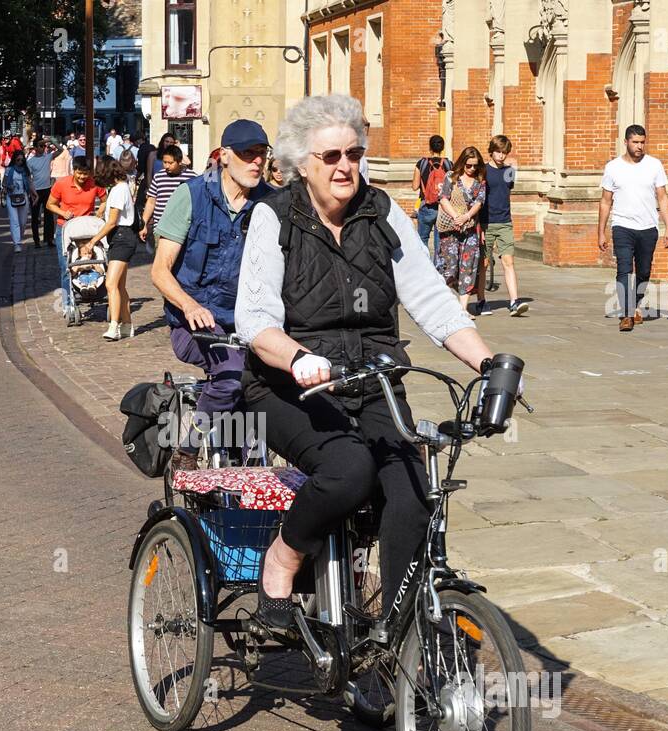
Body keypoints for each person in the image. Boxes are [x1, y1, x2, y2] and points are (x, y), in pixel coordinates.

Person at [233, 94, 496, 626]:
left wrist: (490, 366)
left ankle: (394, 644)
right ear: (302, 164)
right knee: (350, 470)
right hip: (288, 387)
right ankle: (283, 559)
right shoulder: (274, 215)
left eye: (353, 153)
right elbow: (256, 320)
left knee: (414, 494)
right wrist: (298, 356)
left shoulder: (382, 213)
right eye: (330, 156)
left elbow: (431, 300)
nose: (345, 166)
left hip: (371, 380)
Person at [151, 120, 274, 470]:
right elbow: (159, 271)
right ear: (223, 156)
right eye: (247, 154)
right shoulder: (190, 196)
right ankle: (187, 449)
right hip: (194, 324)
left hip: (248, 321)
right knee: (232, 374)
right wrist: (189, 305)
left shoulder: (272, 204)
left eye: (261, 154)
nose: (256, 162)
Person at [598, 124, 668, 332]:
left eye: (642, 142)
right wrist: (601, 232)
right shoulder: (613, 167)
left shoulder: (654, 165)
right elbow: (605, 201)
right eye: (635, 142)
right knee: (624, 269)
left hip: (648, 226)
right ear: (626, 142)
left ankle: (635, 304)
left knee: (644, 272)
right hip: (622, 225)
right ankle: (626, 314)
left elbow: (663, 197)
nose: (639, 146)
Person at [80, 158, 138, 340]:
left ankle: (114, 326)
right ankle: (127, 325)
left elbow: (112, 221)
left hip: (122, 237)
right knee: (119, 285)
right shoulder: (119, 188)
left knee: (110, 283)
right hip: (120, 238)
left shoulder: (119, 190)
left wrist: (92, 241)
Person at [46, 156, 106, 321]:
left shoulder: (94, 183)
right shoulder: (62, 184)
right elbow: (49, 204)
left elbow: (105, 200)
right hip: (66, 229)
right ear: (74, 171)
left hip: (87, 229)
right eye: (79, 174)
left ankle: (92, 288)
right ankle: (67, 303)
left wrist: (100, 211)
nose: (82, 177)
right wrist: (63, 213)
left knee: (93, 261)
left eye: (85, 174)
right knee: (65, 266)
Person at [433, 146, 487, 312]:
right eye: (468, 165)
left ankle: (463, 309)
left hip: (470, 230)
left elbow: (479, 202)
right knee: (450, 269)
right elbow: (443, 198)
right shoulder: (452, 177)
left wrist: (467, 217)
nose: (472, 169)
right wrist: (456, 216)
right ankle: (443, 301)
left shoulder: (480, 182)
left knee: (468, 267)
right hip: (450, 229)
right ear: (462, 163)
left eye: (475, 165)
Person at [481, 134, 528, 317]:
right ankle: (481, 301)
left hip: (505, 222)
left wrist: (514, 167)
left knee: (509, 261)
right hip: (486, 222)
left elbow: (508, 187)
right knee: (483, 264)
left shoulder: (509, 170)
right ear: (491, 152)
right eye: (498, 152)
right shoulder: (483, 171)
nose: (501, 156)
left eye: (504, 152)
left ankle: (514, 302)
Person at [139, 144, 194, 251]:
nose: (167, 166)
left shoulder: (191, 177)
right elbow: (151, 202)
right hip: (160, 230)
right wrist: (144, 224)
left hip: (183, 230)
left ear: (179, 161)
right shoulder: (159, 177)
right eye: (165, 162)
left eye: (171, 163)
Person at [412, 134, 452, 256]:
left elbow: (414, 187)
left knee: (422, 239)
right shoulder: (449, 164)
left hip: (426, 206)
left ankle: (425, 270)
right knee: (439, 243)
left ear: (430, 148)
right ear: (442, 148)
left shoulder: (422, 163)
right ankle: (437, 270)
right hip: (443, 208)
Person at [26, 140, 56, 249]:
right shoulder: (30, 161)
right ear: (35, 148)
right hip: (36, 191)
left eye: (44, 146)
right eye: (40, 146)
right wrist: (32, 192)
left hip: (47, 189)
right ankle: (36, 241)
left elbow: (61, 150)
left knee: (49, 216)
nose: (43, 148)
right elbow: (28, 178)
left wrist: (51, 141)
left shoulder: (47, 157)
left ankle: (49, 239)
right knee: (35, 217)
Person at [3, 150, 33, 253]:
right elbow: (4, 183)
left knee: (23, 222)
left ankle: (19, 237)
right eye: (18, 159)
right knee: (14, 221)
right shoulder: (9, 169)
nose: (20, 161)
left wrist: (34, 194)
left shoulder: (25, 170)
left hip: (23, 196)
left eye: (22, 159)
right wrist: (8, 186)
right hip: (11, 196)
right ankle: (17, 243)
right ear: (14, 159)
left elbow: (30, 183)